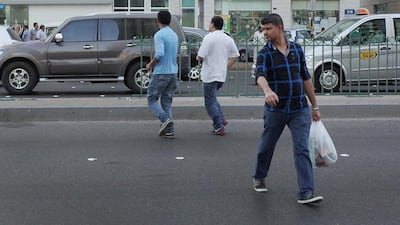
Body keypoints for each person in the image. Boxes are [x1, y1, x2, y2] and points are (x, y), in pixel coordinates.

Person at [252, 13, 323, 204]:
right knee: (266, 147)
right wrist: (267, 91)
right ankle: (259, 175)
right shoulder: (265, 53)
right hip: (276, 110)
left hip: (299, 109)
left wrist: (314, 106)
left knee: (302, 149)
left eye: (268, 29)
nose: (265, 32)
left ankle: (306, 192)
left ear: (280, 28)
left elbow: (306, 78)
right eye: (263, 29)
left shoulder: (297, 50)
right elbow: (260, 74)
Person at [196, 16, 239, 136]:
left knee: (209, 101)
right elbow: (235, 55)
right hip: (221, 74)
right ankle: (221, 118)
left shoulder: (209, 38)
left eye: (210, 23)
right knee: (213, 98)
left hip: (210, 74)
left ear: (213, 24)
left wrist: (197, 57)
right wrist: (226, 66)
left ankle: (218, 125)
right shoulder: (227, 38)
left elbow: (201, 55)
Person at [145, 11, 178, 139]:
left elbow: (159, 54)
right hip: (173, 72)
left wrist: (150, 65)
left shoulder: (159, 35)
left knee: (151, 99)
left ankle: (165, 120)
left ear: (158, 21)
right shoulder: (174, 35)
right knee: (167, 102)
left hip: (161, 73)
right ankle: (170, 131)